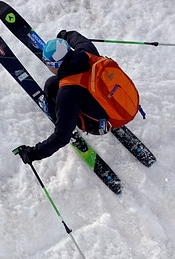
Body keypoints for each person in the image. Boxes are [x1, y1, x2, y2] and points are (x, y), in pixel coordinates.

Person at [17, 30, 111, 163]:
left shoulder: (68, 93)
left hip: (96, 125)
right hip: (110, 97)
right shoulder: (86, 51)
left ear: (55, 66)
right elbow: (77, 38)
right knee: (53, 83)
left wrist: (33, 153)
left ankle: (67, 124)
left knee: (51, 88)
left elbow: (61, 137)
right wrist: (65, 35)